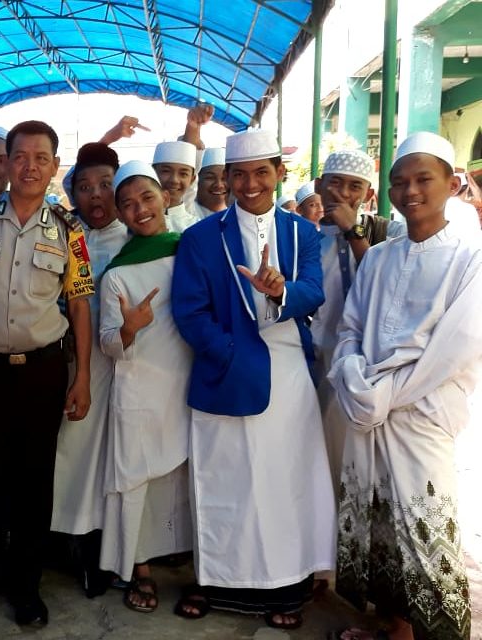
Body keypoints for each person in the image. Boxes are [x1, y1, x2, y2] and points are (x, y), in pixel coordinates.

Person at [170, 129, 335, 630]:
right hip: (226, 371)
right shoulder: (202, 236)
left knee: (284, 482)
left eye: (261, 172)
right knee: (227, 481)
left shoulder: (302, 232)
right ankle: (216, 581)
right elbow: (190, 311)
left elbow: (313, 289)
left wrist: (281, 291)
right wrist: (232, 354)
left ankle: (285, 584)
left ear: (280, 174)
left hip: (286, 375)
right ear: (226, 179)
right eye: (238, 174)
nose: (249, 184)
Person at [0, 120, 95, 634]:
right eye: (20, 156)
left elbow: (79, 305)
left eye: (41, 158)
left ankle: (25, 590)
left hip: (42, 372)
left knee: (33, 487)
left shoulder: (69, 230)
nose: (30, 166)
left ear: (55, 167)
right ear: (6, 164)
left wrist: (83, 378)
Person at [328, 132, 481, 640]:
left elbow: (454, 349)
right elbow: (350, 328)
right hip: (368, 408)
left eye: (423, 179)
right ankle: (396, 629)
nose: (410, 190)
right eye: (400, 181)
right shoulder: (377, 258)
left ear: (452, 184)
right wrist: (353, 378)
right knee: (378, 525)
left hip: (422, 413)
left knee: (426, 527)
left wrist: (384, 394)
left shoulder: (468, 258)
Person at [98, 160, 193, 614]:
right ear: (120, 214)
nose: (140, 210)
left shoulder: (190, 251)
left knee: (185, 478)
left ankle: (191, 563)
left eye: (147, 199)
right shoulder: (117, 274)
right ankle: (140, 570)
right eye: (128, 205)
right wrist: (131, 329)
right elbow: (108, 345)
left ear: (166, 199)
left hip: (188, 385)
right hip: (137, 389)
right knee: (135, 478)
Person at [49, 142, 128, 597]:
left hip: (117, 367)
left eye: (105, 186)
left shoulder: (136, 241)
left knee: (101, 459)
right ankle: (61, 540)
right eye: (85, 187)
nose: (95, 195)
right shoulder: (64, 233)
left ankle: (94, 548)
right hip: (68, 361)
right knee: (67, 452)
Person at [310, 148, 405, 490]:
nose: (345, 194)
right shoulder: (304, 238)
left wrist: (353, 232)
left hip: (366, 365)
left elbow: (387, 287)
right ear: (319, 185)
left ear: (369, 193)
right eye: (336, 183)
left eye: (355, 186)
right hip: (316, 362)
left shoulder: (390, 234)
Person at [151, 141, 200, 232]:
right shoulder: (138, 222)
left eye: (183, 174)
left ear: (192, 180)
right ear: (153, 173)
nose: (174, 180)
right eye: (166, 171)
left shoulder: (197, 227)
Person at [190, 147, 228, 219]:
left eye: (224, 178)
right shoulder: (188, 211)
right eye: (210, 178)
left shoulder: (237, 215)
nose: (219, 185)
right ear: (196, 180)